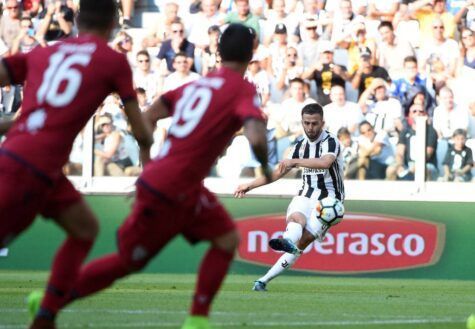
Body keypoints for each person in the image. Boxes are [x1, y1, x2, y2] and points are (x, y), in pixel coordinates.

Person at [50, 23, 271, 329]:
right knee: (129, 260)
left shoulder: (199, 84)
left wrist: (148, 164)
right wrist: (267, 167)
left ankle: (197, 320)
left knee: (225, 238)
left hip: (176, 182)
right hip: (175, 185)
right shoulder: (243, 89)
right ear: (252, 53)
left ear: (218, 52)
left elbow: (151, 114)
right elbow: (257, 138)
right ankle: (52, 302)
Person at [0, 1, 153, 329]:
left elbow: (7, 79)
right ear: (113, 23)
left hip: (26, 161)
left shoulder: (44, 53)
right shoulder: (113, 62)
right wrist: (149, 165)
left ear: (79, 19)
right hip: (32, 170)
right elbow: (140, 129)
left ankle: (45, 316)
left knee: (85, 228)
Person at [234, 103, 345, 291]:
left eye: (315, 123)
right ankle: (286, 244)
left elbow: (325, 162)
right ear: (302, 122)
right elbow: (277, 173)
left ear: (322, 122)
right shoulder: (299, 145)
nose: (310, 128)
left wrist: (294, 161)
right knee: (296, 220)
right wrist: (249, 185)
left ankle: (267, 275)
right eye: (307, 123)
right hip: (305, 194)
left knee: (304, 240)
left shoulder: (331, 141)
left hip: (329, 201)